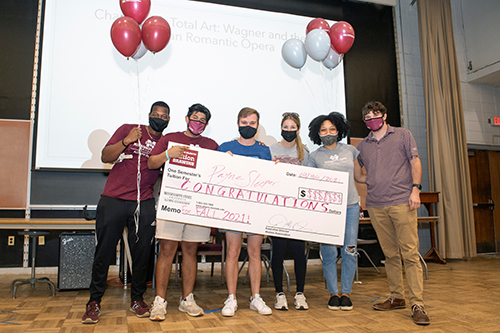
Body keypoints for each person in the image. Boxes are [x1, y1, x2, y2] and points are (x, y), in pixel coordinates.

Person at [82, 101, 171, 324]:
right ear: (149, 115)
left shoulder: (166, 143)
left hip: (144, 201)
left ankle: (138, 299)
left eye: (164, 116)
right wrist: (126, 141)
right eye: (156, 114)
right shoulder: (129, 130)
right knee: (103, 252)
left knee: (142, 254)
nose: (159, 118)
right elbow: (105, 157)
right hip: (113, 199)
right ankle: (94, 302)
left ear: (168, 120)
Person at [354, 101, 430, 326]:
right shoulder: (363, 146)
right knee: (390, 254)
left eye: (375, 114)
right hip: (376, 205)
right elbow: (359, 177)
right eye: (367, 116)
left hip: (402, 202)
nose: (371, 119)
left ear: (384, 116)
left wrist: (415, 189)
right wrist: (356, 163)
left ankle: (417, 303)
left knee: (409, 253)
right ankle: (397, 296)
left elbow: (415, 162)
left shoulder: (403, 135)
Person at [147, 103, 218, 321]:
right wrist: (168, 154)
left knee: (190, 251)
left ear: (206, 124)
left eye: (203, 120)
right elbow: (151, 163)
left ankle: (187, 299)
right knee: (167, 250)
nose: (198, 123)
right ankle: (160, 301)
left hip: (197, 208)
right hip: (173, 203)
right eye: (195, 118)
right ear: (187, 118)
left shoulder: (212, 145)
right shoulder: (170, 138)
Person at [217, 107, 273, 317]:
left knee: (255, 253)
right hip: (232, 208)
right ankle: (231, 298)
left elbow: (269, 180)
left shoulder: (264, 150)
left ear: (257, 126)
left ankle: (255, 297)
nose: (248, 126)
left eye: (252, 123)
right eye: (244, 122)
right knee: (232, 252)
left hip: (256, 209)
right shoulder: (224, 147)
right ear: (237, 123)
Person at [307, 112, 360, 312]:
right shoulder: (313, 156)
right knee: (328, 252)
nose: (328, 133)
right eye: (323, 130)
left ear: (339, 130)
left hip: (351, 206)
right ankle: (332, 293)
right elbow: (309, 183)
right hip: (326, 210)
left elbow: (360, 176)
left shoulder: (351, 151)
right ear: (317, 133)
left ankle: (346, 293)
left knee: (349, 250)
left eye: (332, 129)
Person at [269, 112, 309, 311]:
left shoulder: (305, 152)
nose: (289, 131)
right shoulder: (271, 149)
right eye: (286, 127)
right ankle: (279, 294)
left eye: (293, 128)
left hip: (298, 211)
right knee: (277, 253)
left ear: (298, 129)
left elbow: (311, 180)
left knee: (298, 253)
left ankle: (300, 294)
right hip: (277, 210)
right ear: (281, 127)